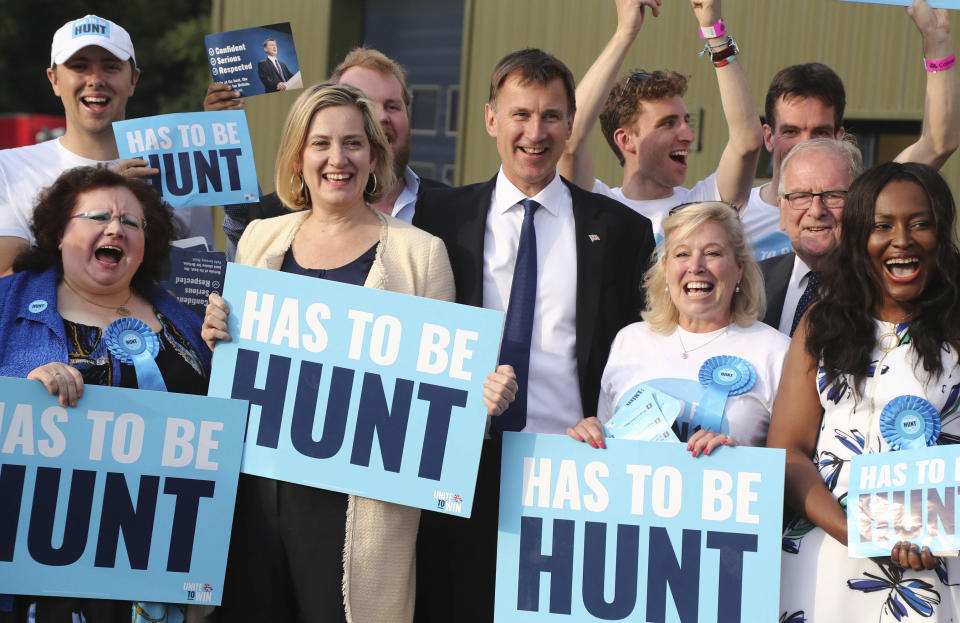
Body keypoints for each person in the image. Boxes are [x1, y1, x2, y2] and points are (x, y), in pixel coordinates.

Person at [200, 82, 515, 623]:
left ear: (374, 156)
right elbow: (232, 371)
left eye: (352, 143)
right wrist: (217, 333)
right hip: (257, 498)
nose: (336, 159)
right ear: (298, 158)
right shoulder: (259, 239)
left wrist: (481, 398)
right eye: (320, 144)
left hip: (360, 509)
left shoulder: (421, 254)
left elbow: (445, 401)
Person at [413, 48, 655, 622]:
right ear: (492, 120)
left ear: (571, 124)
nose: (535, 132)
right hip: (462, 470)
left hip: (574, 472)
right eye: (520, 115)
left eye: (551, 116)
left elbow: (645, 350)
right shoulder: (436, 219)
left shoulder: (621, 231)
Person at [0, 166, 210, 623]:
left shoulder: (188, 322)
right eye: (98, 217)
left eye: (131, 223)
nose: (116, 228)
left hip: (157, 567)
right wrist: (19, 396)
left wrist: (203, 578)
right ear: (59, 234)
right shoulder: (6, 303)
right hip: (42, 566)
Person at [768, 162, 960, 622]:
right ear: (858, 238)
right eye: (882, 226)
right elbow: (788, 451)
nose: (902, 239)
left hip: (934, 567)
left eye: (920, 223)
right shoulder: (821, 323)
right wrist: (854, 529)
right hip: (826, 562)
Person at [566, 201, 789, 453]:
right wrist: (591, 437)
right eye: (682, 254)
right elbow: (608, 452)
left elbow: (788, 467)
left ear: (739, 269)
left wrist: (736, 460)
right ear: (665, 268)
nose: (695, 267)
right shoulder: (629, 341)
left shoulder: (775, 351)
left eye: (712, 253)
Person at [745, 0, 958, 259]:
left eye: (820, 132)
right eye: (791, 131)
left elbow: (939, 143)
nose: (804, 144)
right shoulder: (737, 212)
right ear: (768, 136)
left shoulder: (863, 202)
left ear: (839, 137)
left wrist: (936, 42)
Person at [206, 47, 446, 258]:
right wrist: (221, 128)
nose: (381, 117)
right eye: (365, 104)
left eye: (392, 106)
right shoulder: (269, 219)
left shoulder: (456, 212)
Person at [558, 0, 762, 240]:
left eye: (686, 121)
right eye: (668, 123)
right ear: (626, 139)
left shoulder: (701, 207)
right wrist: (625, 32)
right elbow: (569, 140)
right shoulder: (597, 205)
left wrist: (713, 32)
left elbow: (747, 142)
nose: (688, 135)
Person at [760, 138, 863, 335]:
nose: (816, 211)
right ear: (782, 210)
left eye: (833, 195)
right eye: (801, 196)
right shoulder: (751, 283)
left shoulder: (881, 288)